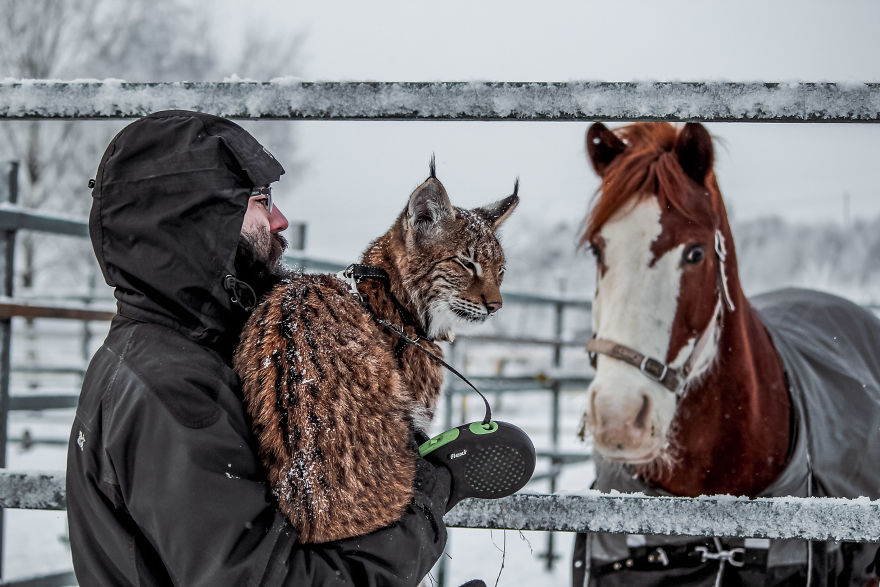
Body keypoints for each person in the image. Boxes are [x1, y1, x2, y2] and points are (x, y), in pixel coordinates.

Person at [66, 110, 453, 586]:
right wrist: (425, 501)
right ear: (198, 217)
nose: (280, 219)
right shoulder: (172, 391)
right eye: (260, 201)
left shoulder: (188, 351)